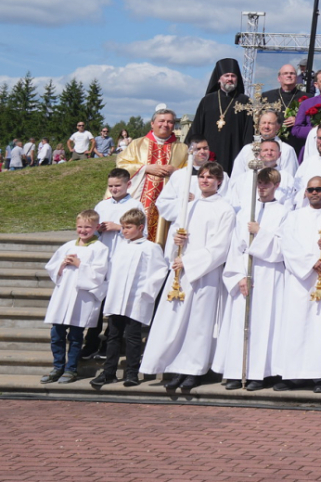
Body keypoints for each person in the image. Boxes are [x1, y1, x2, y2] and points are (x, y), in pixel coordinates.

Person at [141, 163, 235, 392]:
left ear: (219, 181)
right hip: (181, 273)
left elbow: (221, 247)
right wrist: (177, 244)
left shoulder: (225, 209)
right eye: (202, 176)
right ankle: (174, 367)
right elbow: (176, 231)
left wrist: (190, 261)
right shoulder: (188, 206)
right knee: (175, 320)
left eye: (211, 178)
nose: (205, 181)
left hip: (206, 274)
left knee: (199, 324)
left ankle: (193, 370)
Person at [273, 176, 321, 393]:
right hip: (299, 280)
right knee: (297, 325)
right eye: (311, 189)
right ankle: (294, 374)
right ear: (305, 192)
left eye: (319, 189)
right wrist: (310, 262)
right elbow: (287, 244)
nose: (315, 193)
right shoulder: (293, 217)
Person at [216, 168, 289, 391]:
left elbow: (282, 247)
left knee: (265, 323)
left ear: (276, 186)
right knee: (240, 322)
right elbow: (236, 247)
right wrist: (238, 276)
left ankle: (259, 373)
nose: (262, 188)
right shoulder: (245, 212)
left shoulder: (284, 212)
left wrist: (260, 232)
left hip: (269, 274)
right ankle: (237, 371)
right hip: (245, 273)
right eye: (260, 184)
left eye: (267, 184)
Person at [91, 208, 167, 388]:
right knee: (113, 336)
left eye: (128, 227)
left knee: (132, 337)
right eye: (123, 227)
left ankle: (132, 373)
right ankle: (109, 372)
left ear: (140, 227)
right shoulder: (120, 247)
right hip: (117, 298)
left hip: (136, 299)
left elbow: (159, 271)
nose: (124, 231)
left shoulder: (150, 247)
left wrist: (146, 292)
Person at [41, 210, 109, 384]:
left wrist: (80, 264)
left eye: (87, 227)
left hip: (81, 298)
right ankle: (58, 367)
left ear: (96, 227)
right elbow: (52, 267)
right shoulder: (68, 245)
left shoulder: (100, 248)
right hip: (63, 295)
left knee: (76, 336)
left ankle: (71, 369)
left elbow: (99, 274)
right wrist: (61, 265)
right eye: (80, 227)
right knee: (56, 334)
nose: (83, 230)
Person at [115, 108, 189, 244]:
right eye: (161, 121)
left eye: (170, 122)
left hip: (169, 200)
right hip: (143, 199)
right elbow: (121, 165)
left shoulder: (183, 148)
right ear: (152, 123)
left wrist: (176, 171)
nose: (165, 125)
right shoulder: (137, 144)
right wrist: (146, 168)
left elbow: (192, 173)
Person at [187, 59, 254, 173]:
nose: (230, 79)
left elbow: (248, 132)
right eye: (226, 75)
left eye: (233, 76)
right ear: (219, 78)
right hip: (208, 153)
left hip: (235, 152)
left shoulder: (245, 101)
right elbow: (196, 128)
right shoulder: (207, 101)